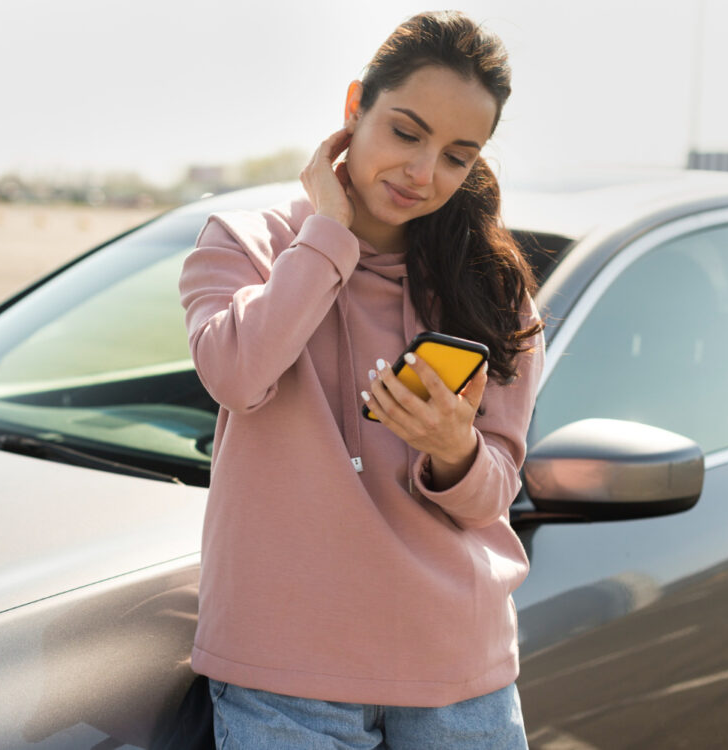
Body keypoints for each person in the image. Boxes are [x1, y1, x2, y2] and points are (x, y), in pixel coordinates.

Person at [178, 10, 545, 749]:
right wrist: (327, 235)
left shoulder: (491, 289)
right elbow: (238, 376)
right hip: (284, 671)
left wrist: (454, 448)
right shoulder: (244, 245)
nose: (423, 173)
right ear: (355, 108)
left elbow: (494, 492)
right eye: (407, 133)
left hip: (457, 673)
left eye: (456, 155)